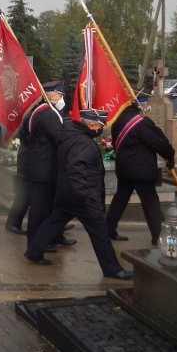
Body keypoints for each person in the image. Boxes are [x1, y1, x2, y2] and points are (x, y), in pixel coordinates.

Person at [24, 109, 132, 280]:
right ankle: (113, 269)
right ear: (91, 124)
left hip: (67, 192)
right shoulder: (82, 142)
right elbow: (76, 170)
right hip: (82, 196)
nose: (100, 129)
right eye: (99, 125)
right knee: (100, 234)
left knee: (52, 223)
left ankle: (34, 251)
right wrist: (83, 196)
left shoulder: (69, 134)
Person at [104, 92, 176, 245]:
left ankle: (108, 229)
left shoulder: (119, 121)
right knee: (151, 203)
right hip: (142, 170)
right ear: (140, 105)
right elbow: (159, 142)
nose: (146, 107)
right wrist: (170, 156)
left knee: (120, 199)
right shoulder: (142, 122)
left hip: (124, 168)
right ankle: (159, 236)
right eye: (145, 104)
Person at [22, 80, 75, 252]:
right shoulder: (48, 114)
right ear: (52, 95)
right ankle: (36, 243)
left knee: (51, 206)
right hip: (45, 168)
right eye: (60, 95)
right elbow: (60, 137)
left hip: (40, 165)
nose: (62, 98)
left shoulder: (36, 112)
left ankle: (53, 238)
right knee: (40, 209)